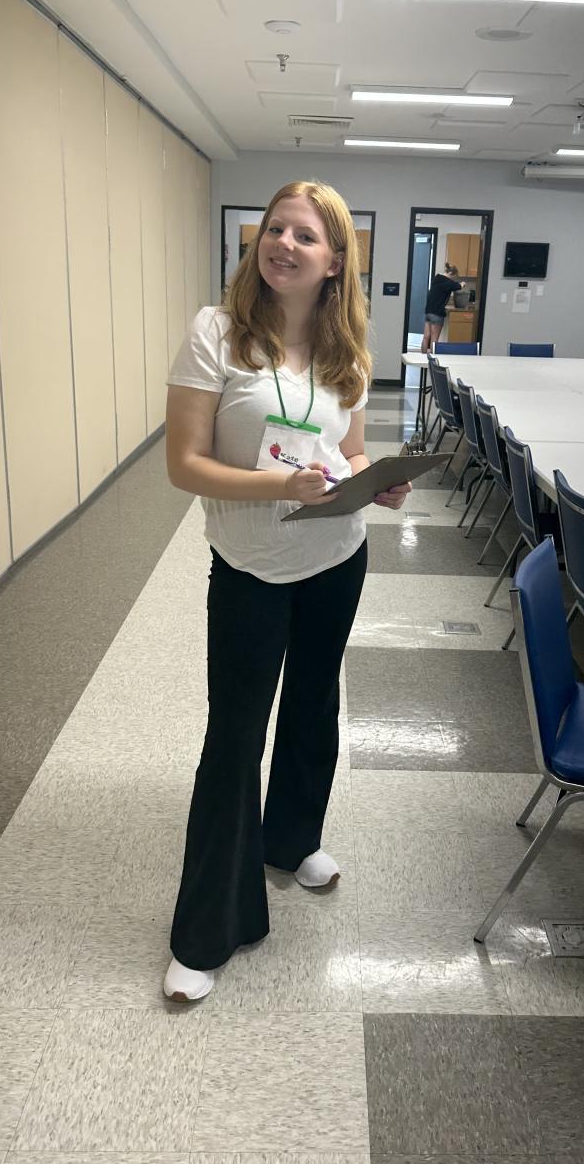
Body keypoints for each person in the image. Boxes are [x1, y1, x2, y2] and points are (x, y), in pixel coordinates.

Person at [162, 180, 412, 1002]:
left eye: (305, 236)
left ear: (335, 261)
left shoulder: (348, 354)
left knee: (313, 703)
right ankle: (206, 930)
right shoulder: (218, 334)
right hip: (251, 565)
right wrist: (279, 489)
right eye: (275, 230)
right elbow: (184, 465)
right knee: (235, 735)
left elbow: (348, 451)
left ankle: (292, 838)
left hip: (337, 556)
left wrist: (376, 482)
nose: (283, 245)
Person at [420, 262, 465, 352]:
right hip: (437, 313)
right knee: (434, 340)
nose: (453, 279)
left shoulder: (437, 278)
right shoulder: (448, 282)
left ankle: (422, 358)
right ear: (451, 273)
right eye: (454, 277)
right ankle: (432, 360)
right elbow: (459, 286)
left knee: (426, 337)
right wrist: (463, 283)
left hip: (428, 312)